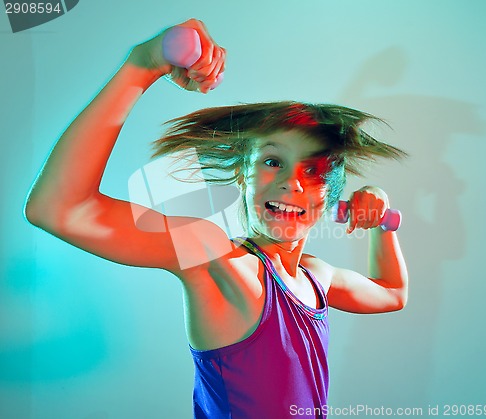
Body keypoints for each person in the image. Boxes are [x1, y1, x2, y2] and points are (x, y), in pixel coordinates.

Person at [25, 18, 408, 419]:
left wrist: (382, 221)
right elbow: (58, 208)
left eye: (313, 171)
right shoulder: (217, 259)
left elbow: (392, 293)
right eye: (273, 161)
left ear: (331, 192)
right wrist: (145, 63)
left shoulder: (316, 278)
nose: (290, 183)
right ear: (243, 174)